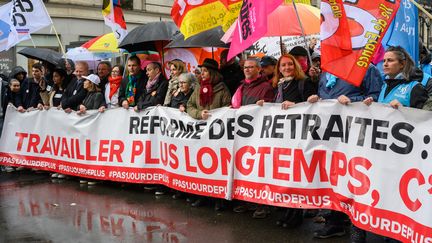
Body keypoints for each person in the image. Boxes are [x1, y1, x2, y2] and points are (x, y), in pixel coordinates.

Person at [307, 64, 383, 240]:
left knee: (354, 177)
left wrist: (352, 100)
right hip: (331, 134)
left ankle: (357, 223)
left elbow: (376, 97)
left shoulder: (366, 68)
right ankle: (334, 222)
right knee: (332, 175)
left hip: (356, 133)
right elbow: (325, 98)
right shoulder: (326, 73)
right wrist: (316, 100)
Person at [231, 57, 274, 216]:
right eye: (245, 67)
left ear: (258, 69)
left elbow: (269, 109)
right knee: (244, 168)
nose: (247, 70)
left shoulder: (265, 87)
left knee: (259, 169)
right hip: (243, 134)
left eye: (251, 67)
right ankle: (247, 200)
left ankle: (262, 205)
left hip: (258, 135)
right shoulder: (242, 87)